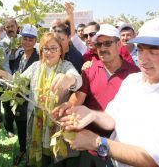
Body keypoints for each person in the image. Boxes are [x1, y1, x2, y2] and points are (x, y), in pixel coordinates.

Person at [60, 17, 159, 167]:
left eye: (154, 51)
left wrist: (96, 142)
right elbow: (111, 119)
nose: (143, 59)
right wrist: (92, 115)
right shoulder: (132, 81)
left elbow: (152, 159)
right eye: (141, 49)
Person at [0, 32, 82, 167]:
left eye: (53, 48)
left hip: (56, 122)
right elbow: (17, 81)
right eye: (46, 48)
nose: (49, 52)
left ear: (61, 50)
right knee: (39, 156)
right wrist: (2, 73)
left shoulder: (66, 66)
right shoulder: (36, 66)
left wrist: (69, 79)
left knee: (56, 157)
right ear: (41, 50)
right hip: (37, 119)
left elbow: (77, 79)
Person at [53, 24, 139, 167]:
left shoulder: (135, 74)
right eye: (99, 44)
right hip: (90, 144)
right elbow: (79, 97)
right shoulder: (90, 69)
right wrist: (67, 106)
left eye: (107, 43)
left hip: (120, 147)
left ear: (118, 45)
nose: (102, 48)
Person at [7, 24, 39, 166]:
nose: (27, 42)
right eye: (25, 38)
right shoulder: (19, 54)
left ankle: (31, 153)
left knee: (31, 128)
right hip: (18, 98)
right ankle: (22, 150)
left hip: (31, 99)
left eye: (30, 39)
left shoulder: (38, 58)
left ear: (35, 41)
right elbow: (15, 71)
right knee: (20, 126)